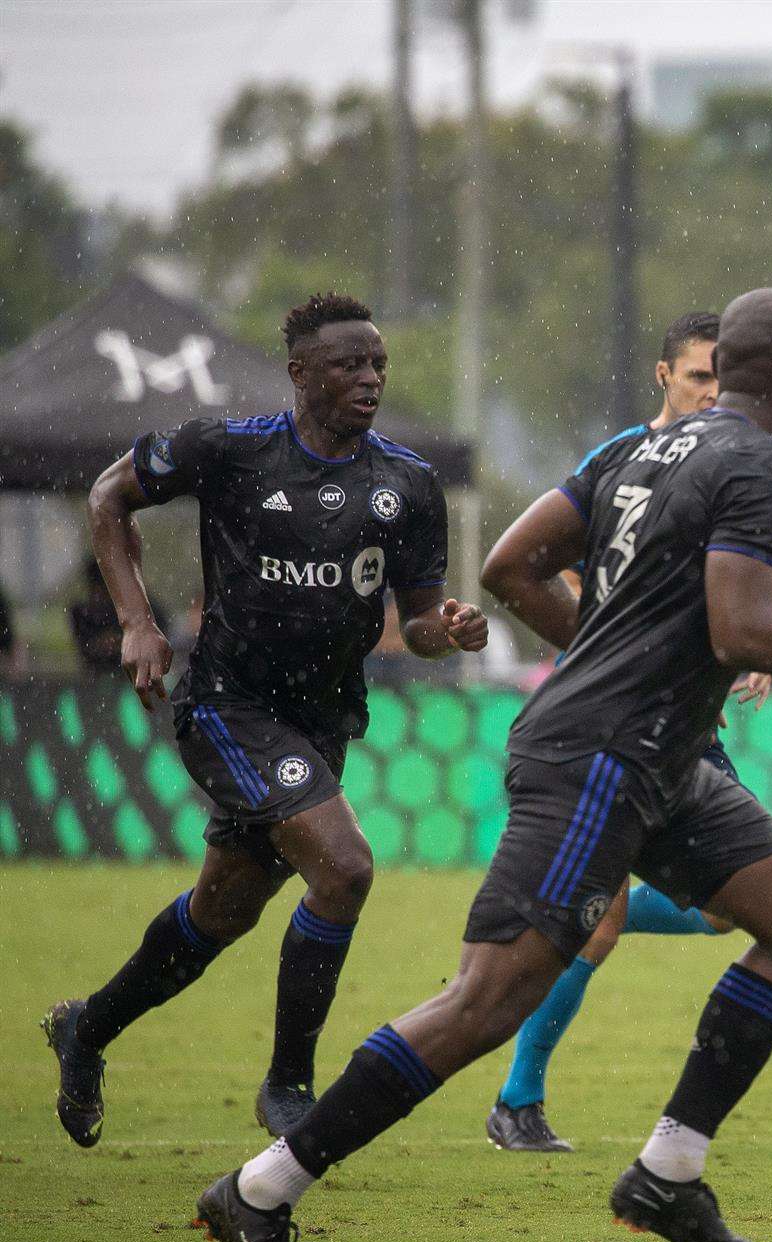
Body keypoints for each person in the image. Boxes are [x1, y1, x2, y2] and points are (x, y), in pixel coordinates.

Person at [195, 288, 772, 1242]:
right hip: (602, 756)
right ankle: (262, 1189)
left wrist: (604, 654)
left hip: (655, 755)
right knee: (486, 999)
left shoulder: (638, 450)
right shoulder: (761, 462)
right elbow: (741, 628)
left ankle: (668, 1173)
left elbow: (510, 564)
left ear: (724, 368)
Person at [43, 292, 487, 1150]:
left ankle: (85, 1029)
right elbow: (108, 497)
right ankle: (287, 1084)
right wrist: (136, 621)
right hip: (227, 705)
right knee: (345, 867)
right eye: (348, 364)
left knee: (222, 912)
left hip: (321, 722)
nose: (370, 378)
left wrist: (451, 629)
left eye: (377, 363)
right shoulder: (230, 448)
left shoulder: (407, 482)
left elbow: (422, 624)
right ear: (300, 373)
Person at [482, 311, 755, 1155]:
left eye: (724, 379)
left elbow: (733, 588)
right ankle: (516, 1099)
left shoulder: (729, 467)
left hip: (685, 721)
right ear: (663, 375)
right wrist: (620, 653)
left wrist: (742, 650)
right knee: (592, 926)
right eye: (699, 375)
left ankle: (603, 911)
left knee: (726, 910)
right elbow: (549, 567)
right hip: (611, 727)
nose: (712, 392)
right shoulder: (623, 461)